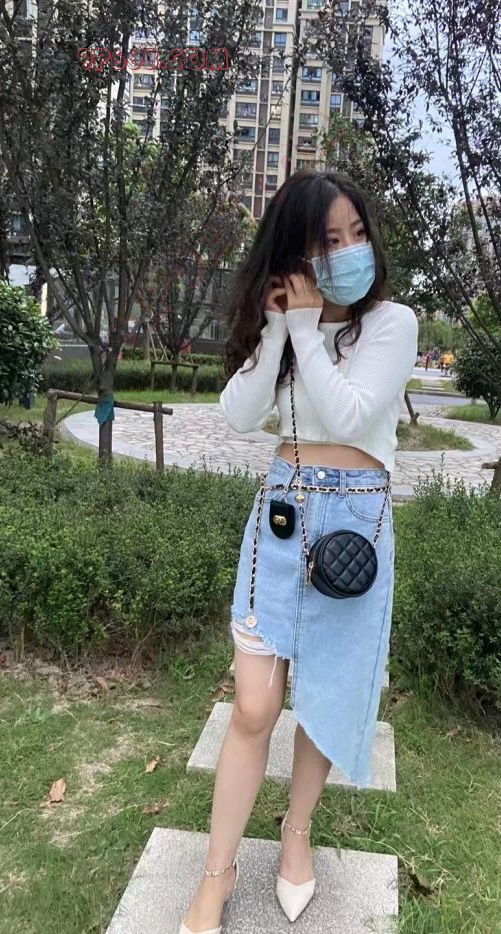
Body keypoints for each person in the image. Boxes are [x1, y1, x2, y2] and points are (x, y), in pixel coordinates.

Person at [179, 170, 418, 934]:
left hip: (355, 529)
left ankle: (296, 832)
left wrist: (309, 331)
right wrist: (281, 329)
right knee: (254, 706)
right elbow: (238, 414)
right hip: (282, 520)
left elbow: (350, 414)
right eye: (328, 241)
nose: (349, 252)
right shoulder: (289, 326)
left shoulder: (393, 324)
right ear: (295, 255)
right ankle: (217, 873)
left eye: (357, 234)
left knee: (326, 696)